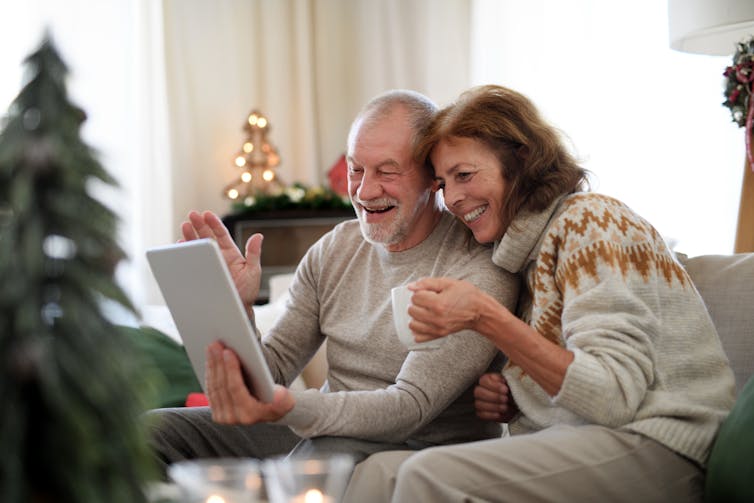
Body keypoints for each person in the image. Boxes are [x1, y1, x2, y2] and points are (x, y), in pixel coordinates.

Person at [343, 84, 736, 502]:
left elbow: (614, 397)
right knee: (378, 473)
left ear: (521, 162)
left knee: (427, 475)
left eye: (465, 175)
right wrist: (517, 398)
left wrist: (486, 318)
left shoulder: (591, 222)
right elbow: (570, 372)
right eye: (442, 184)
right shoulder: (518, 255)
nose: (453, 199)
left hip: (665, 445)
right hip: (594, 439)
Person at [147, 89, 520, 475]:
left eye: (387, 171)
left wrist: (294, 407)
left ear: (432, 178)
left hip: (419, 446)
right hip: (328, 430)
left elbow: (409, 408)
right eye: (357, 169)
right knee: (153, 431)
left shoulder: (477, 269)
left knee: (313, 461)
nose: (364, 191)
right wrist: (236, 309)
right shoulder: (335, 249)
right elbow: (270, 374)